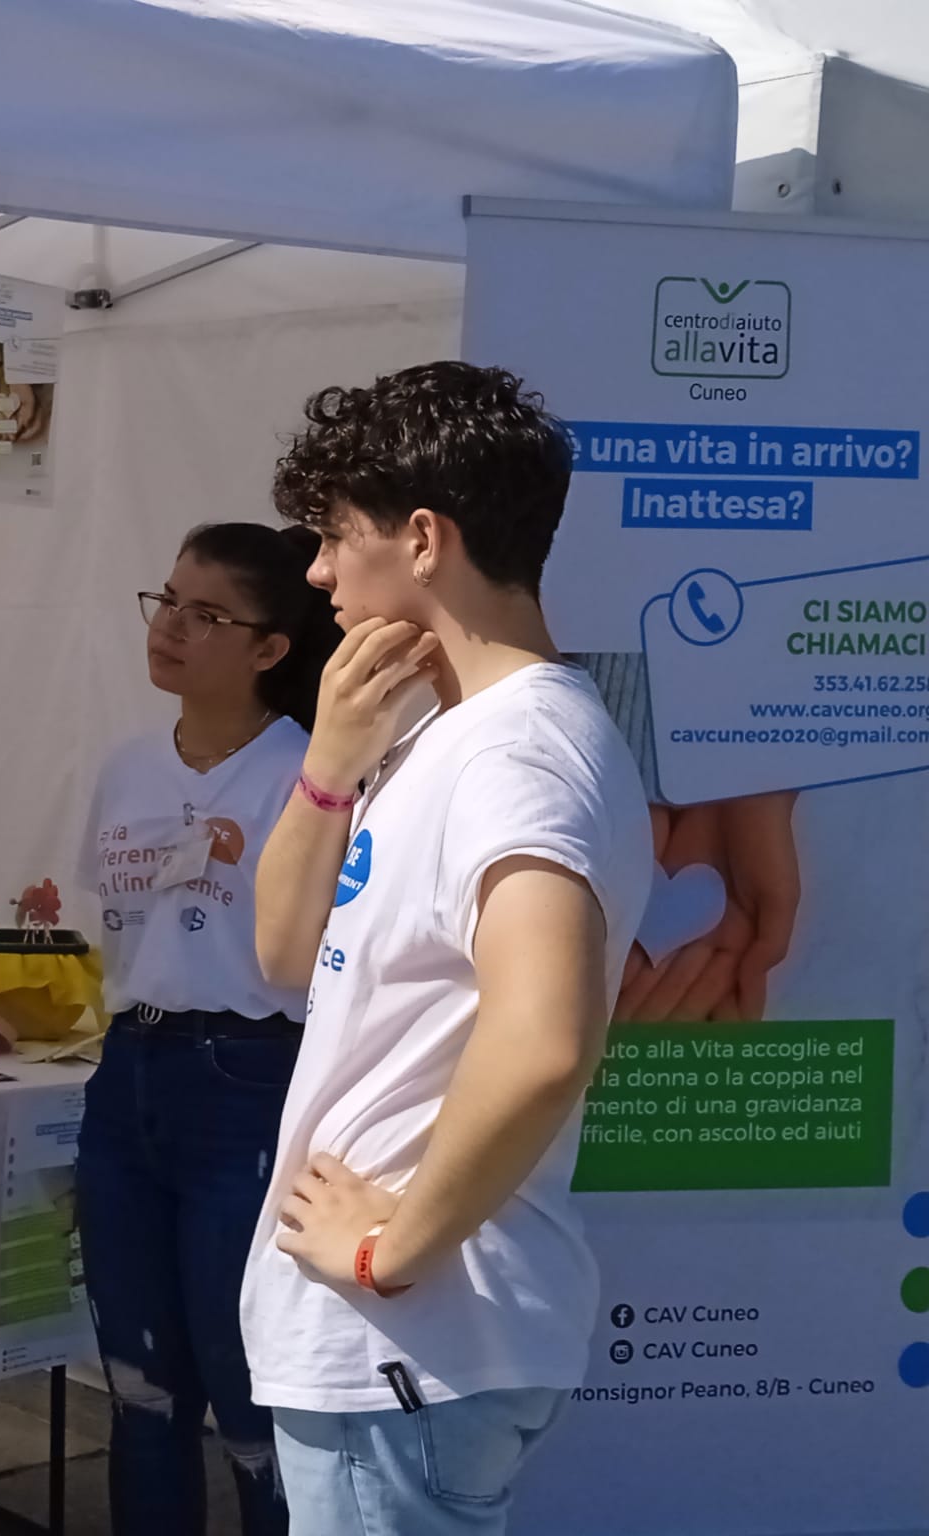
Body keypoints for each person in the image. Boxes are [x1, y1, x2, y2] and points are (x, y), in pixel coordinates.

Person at [243, 362, 654, 1534]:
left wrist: (390, 1251)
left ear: (422, 539)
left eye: (335, 535)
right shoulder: (445, 736)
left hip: (408, 1345)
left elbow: (542, 1041)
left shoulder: (515, 754)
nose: (316, 571)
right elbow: (284, 955)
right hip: (397, 1354)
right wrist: (328, 765)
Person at [76, 522, 340, 1534]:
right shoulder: (127, 767)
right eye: (167, 602)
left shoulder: (306, 776)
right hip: (128, 1073)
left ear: (269, 648)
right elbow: (114, 927)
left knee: (247, 1392)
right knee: (140, 1387)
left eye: (206, 615)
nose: (171, 628)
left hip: (248, 1078)